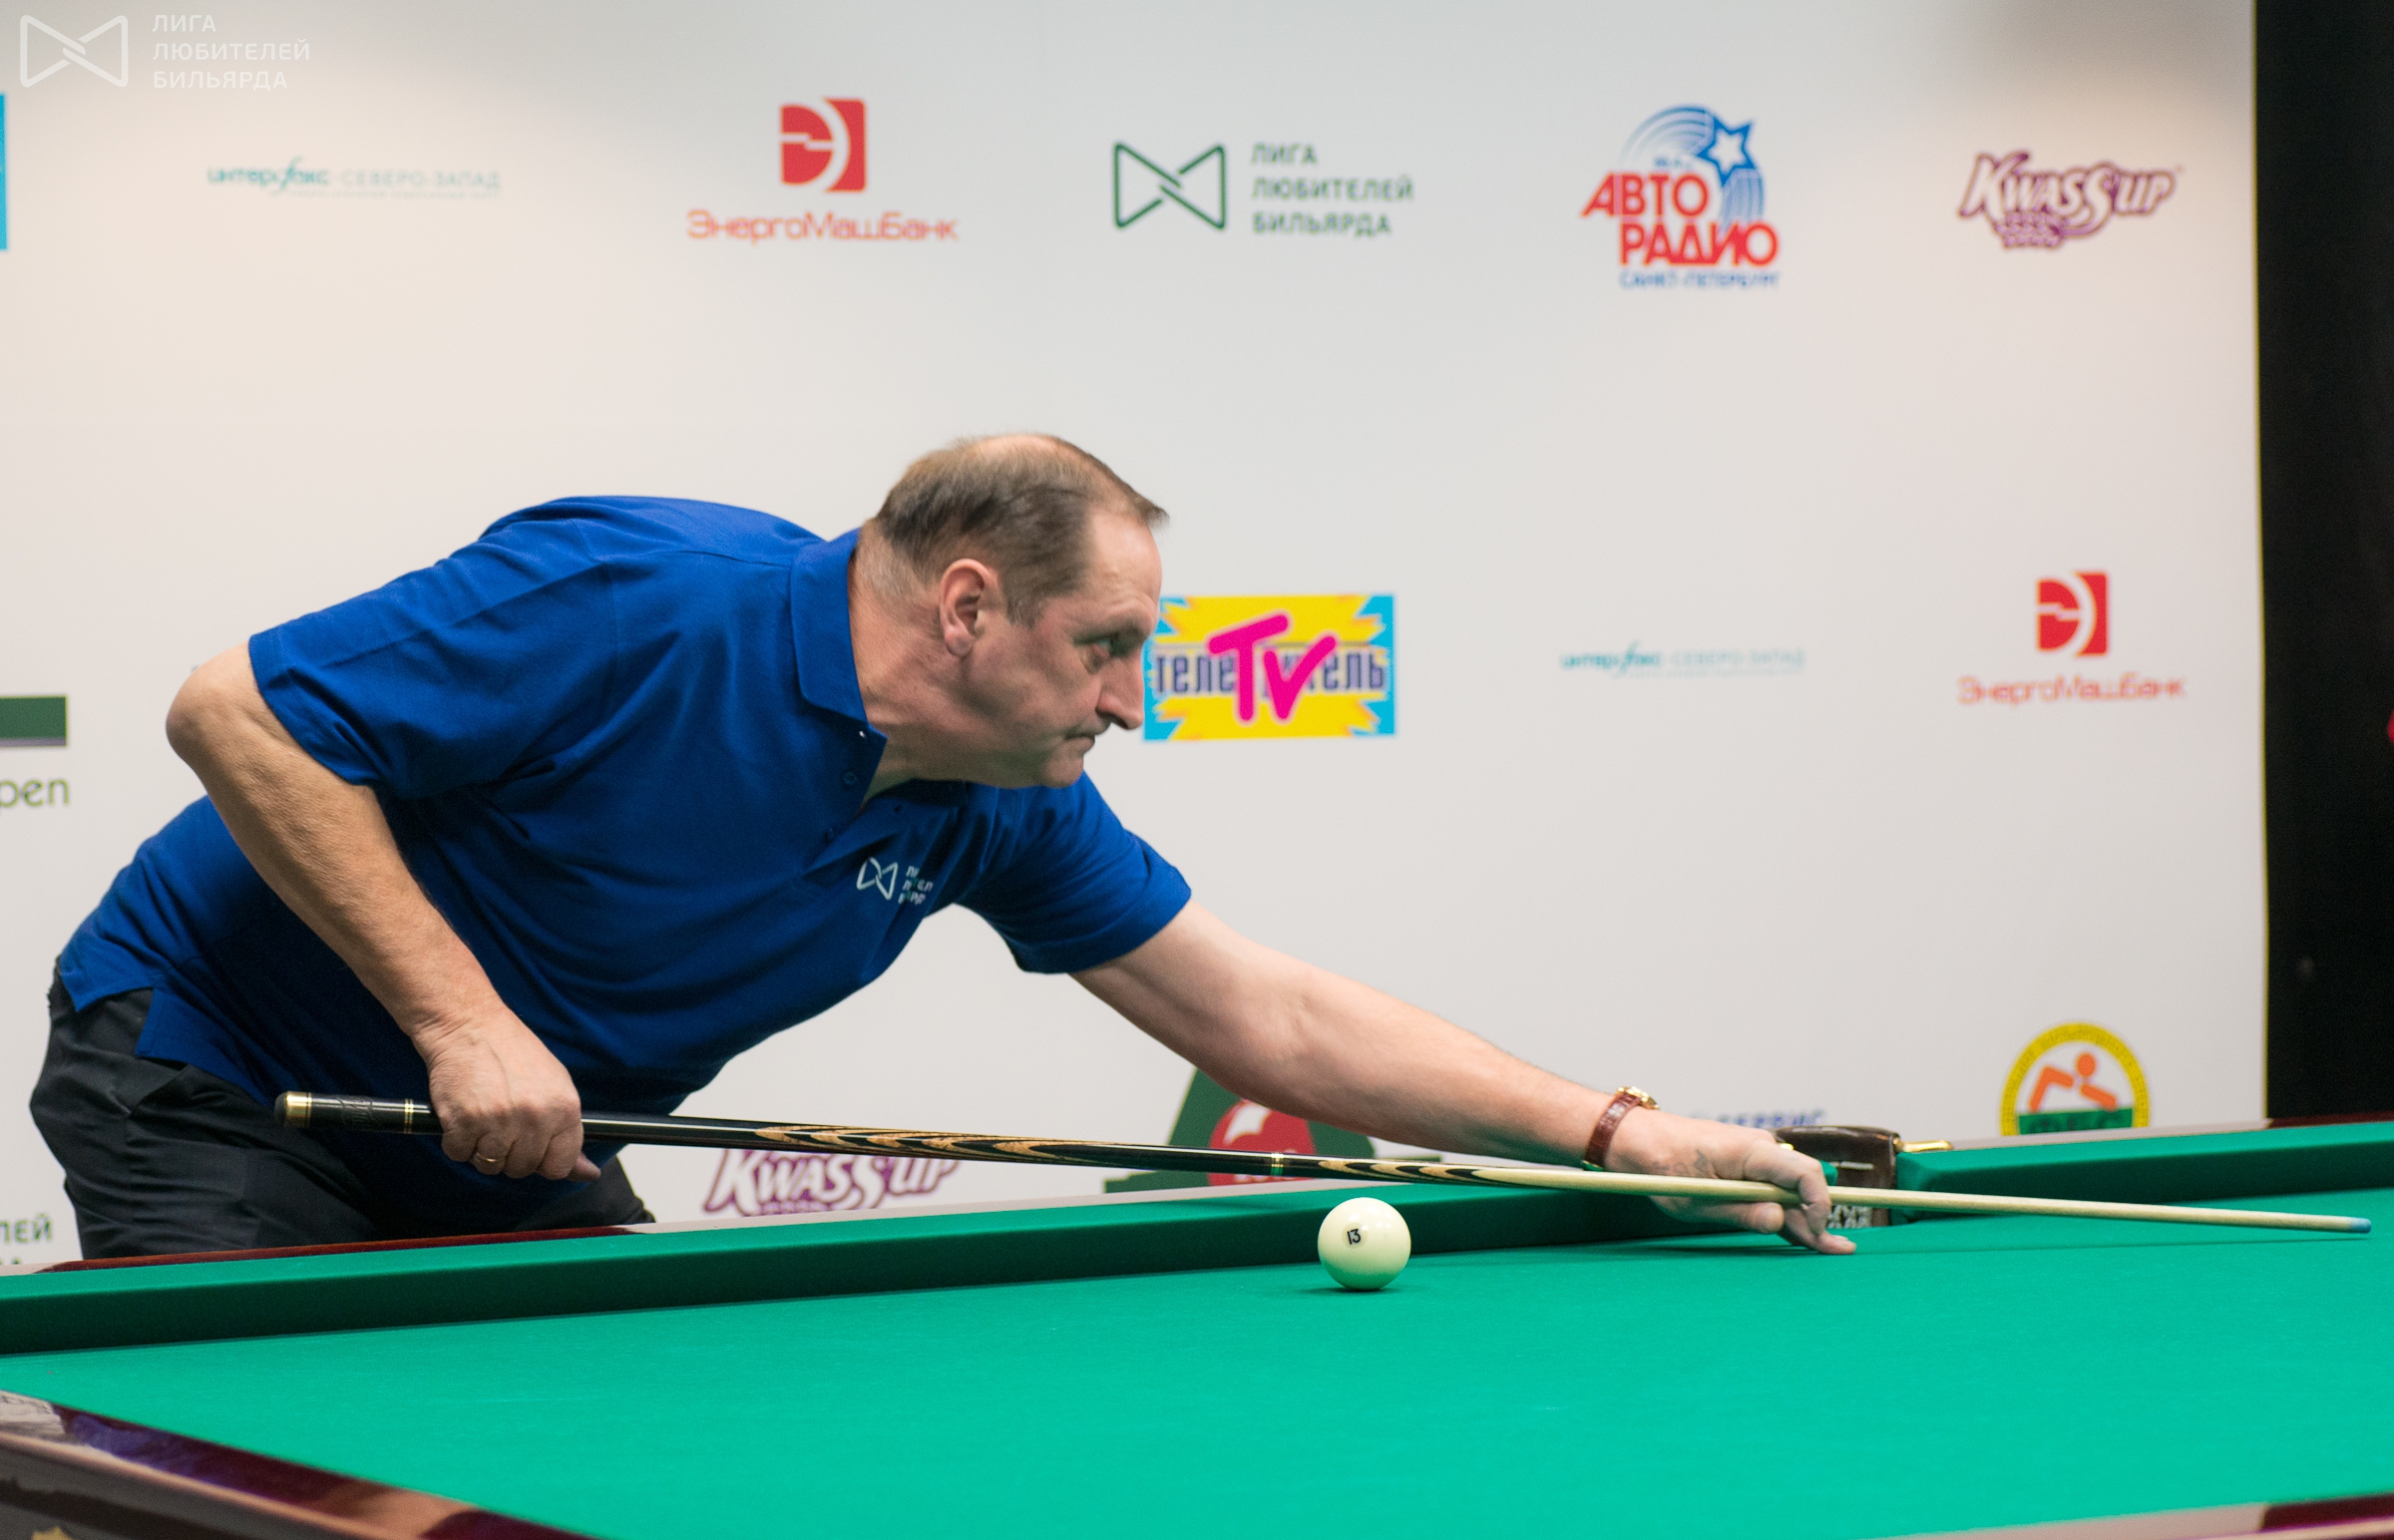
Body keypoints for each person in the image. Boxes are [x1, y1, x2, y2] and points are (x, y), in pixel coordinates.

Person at [34, 435, 1853, 1258]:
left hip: (510, 1140)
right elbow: (238, 711)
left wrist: (1620, 1135)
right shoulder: (640, 597)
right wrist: (460, 1022)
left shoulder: (1001, 798)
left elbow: (1271, 1021)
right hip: (222, 1077)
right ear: (970, 608)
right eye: (1110, 647)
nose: (1133, 700)